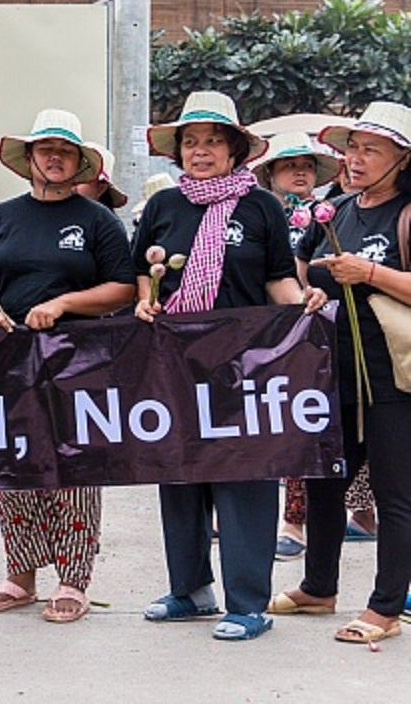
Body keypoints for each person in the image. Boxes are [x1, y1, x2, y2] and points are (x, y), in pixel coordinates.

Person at [133, 91, 325, 641]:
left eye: (213, 141)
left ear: (235, 149)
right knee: (180, 473)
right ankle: (190, 590)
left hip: (246, 365)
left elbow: (277, 278)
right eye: (191, 142)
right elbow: (140, 275)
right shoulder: (163, 208)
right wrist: (144, 302)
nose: (200, 151)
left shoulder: (260, 206)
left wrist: (303, 305)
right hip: (175, 363)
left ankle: (247, 603)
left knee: (244, 476)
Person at [0, 108, 136, 624]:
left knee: (75, 465)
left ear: (79, 162)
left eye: (65, 151)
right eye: (46, 150)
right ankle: (21, 574)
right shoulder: (0, 218)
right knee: (12, 462)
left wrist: (63, 304)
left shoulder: (97, 220)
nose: (55, 158)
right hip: (9, 356)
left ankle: (73, 579)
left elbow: (122, 288)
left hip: (79, 359)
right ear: (30, 158)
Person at [270, 101, 411, 644]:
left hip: (394, 379)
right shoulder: (339, 210)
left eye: (372, 149)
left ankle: (386, 607)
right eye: (353, 147)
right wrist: (309, 293)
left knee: (396, 494)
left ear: (402, 159)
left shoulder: (406, 213)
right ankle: (318, 586)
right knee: (324, 482)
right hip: (334, 375)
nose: (356, 158)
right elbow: (303, 273)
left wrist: (369, 272)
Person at [250, 132, 342, 562]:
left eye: (306, 165)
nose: (299, 172)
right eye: (289, 165)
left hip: (311, 330)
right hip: (256, 334)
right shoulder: (255, 212)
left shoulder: (331, 215)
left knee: (303, 427)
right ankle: (242, 518)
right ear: (270, 173)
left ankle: (295, 522)